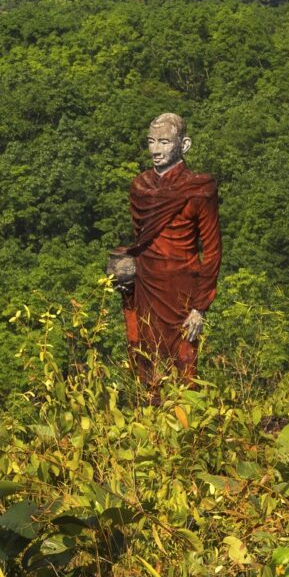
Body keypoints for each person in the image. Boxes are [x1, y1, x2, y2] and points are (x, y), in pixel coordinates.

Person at [112, 112, 221, 391]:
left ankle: (186, 428)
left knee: (183, 360)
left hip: (182, 290)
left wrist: (200, 306)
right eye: (151, 141)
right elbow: (141, 242)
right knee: (147, 359)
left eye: (164, 142)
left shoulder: (199, 188)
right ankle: (151, 427)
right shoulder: (140, 187)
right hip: (147, 286)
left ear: (183, 145)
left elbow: (211, 250)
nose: (155, 149)